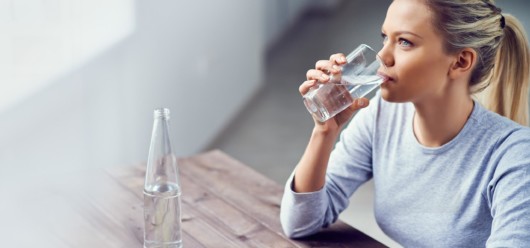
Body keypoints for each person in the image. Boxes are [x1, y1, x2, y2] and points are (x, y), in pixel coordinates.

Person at [280, 0, 530, 247]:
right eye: (385, 38)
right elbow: (300, 223)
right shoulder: (383, 114)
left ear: (460, 61)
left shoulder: (517, 156)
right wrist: (324, 131)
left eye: (404, 42)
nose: (382, 57)